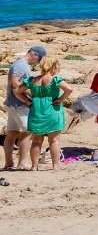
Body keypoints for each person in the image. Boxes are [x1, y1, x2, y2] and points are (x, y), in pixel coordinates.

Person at [19, 58, 71, 172]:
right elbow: (69, 89)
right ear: (53, 66)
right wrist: (60, 99)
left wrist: (27, 101)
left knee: (36, 141)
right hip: (52, 110)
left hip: (36, 111)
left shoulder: (33, 80)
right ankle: (55, 165)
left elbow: (18, 91)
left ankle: (34, 166)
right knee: (54, 140)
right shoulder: (55, 79)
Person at [5, 43, 48, 171]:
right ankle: (22, 163)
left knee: (12, 133)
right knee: (27, 133)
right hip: (20, 105)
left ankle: (9, 163)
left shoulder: (19, 64)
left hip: (12, 104)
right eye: (39, 59)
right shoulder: (21, 65)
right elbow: (15, 85)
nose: (38, 62)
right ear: (35, 55)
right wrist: (29, 99)